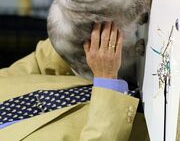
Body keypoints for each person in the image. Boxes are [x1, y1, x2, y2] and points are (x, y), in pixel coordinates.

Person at [0, 22, 149, 141]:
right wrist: (106, 80)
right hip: (154, 130)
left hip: (147, 79)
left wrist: (77, 27)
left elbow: (41, 61)